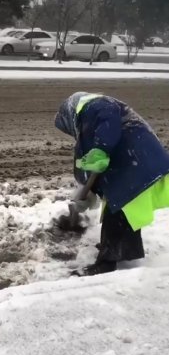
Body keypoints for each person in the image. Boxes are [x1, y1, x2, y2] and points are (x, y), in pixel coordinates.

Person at [55, 92, 169, 276]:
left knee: (118, 212)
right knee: (123, 211)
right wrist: (86, 195)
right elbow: (88, 168)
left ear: (70, 115)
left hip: (137, 162)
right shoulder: (90, 126)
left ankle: (107, 263)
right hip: (134, 165)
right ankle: (123, 251)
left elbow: (108, 122)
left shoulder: (96, 105)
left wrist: (100, 148)